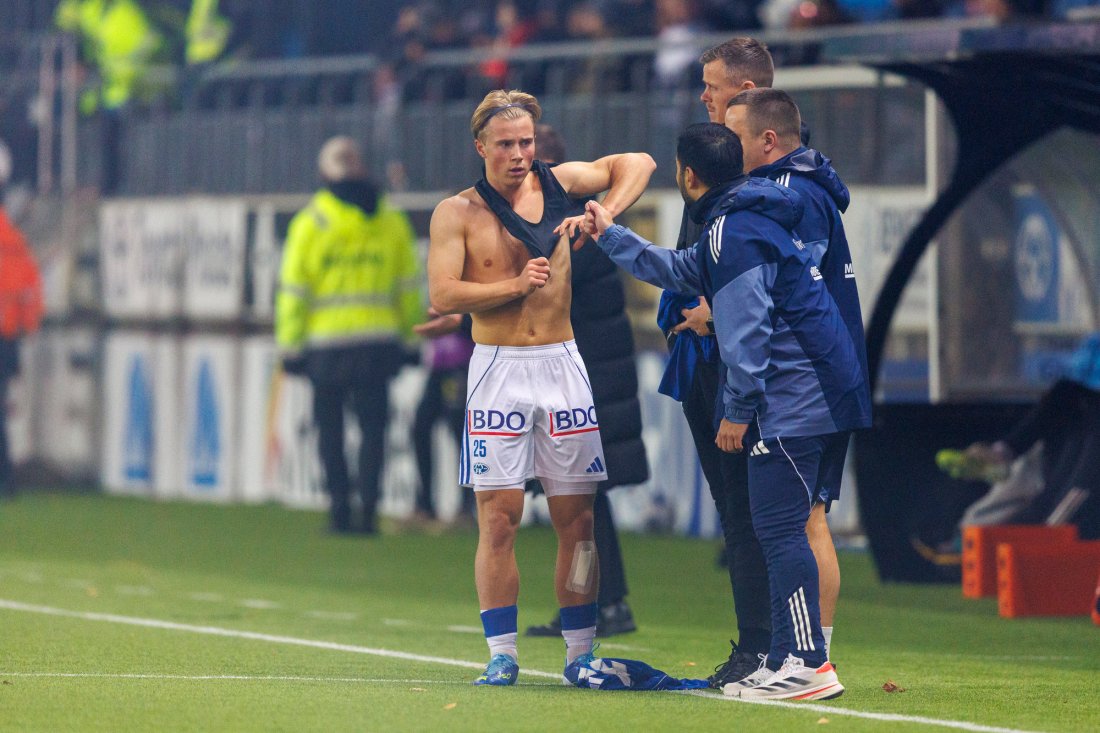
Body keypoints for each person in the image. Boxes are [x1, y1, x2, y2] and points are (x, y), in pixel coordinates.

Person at [580, 122, 870, 700]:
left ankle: (808, 664)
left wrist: (735, 411)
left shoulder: (733, 230)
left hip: (794, 395)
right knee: (778, 528)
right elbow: (681, 271)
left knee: (781, 531)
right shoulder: (738, 220)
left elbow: (747, 336)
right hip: (809, 388)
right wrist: (611, 235)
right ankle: (785, 658)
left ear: (687, 175)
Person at [427, 89, 655, 686]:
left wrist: (606, 212)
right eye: (506, 144)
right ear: (481, 147)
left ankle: (580, 650)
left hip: (561, 363)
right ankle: (501, 652)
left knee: (578, 521)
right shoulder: (458, 212)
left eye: (526, 141)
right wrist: (511, 286)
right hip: (497, 368)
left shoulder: (562, 184)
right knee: (499, 518)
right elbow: (444, 294)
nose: (520, 154)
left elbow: (639, 162)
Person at [725, 87, 870, 663]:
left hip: (810, 380)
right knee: (806, 518)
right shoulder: (803, 189)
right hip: (824, 376)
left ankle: (812, 658)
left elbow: (788, 284)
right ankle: (810, 654)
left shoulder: (791, 195)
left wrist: (719, 307)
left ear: (767, 140)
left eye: (734, 136)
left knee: (803, 521)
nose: (725, 147)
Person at [660, 36, 776, 689]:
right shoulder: (711, 162)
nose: (703, 95)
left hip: (742, 361)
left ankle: (776, 648)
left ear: (747, 91)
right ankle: (769, 646)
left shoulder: (768, 168)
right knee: (736, 509)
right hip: (704, 357)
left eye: (713, 85)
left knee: (760, 511)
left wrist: (716, 310)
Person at [523, 123, 648, 639]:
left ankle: (600, 604)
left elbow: (538, 302)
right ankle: (598, 603)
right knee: (582, 502)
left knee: (580, 504)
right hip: (593, 381)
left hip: (582, 385)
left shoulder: (571, 230)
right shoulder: (577, 225)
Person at [276, 136, 422, 535]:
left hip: (326, 346)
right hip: (378, 341)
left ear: (324, 172)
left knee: (331, 430)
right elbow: (409, 286)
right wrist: (411, 340)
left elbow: (293, 291)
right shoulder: (390, 218)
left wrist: (290, 346)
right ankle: (370, 511)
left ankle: (339, 510)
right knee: (374, 427)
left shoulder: (312, 222)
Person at [937, 333, 1100, 538]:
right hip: (1042, 470)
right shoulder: (1071, 393)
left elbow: (1070, 500)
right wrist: (1005, 449)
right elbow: (1061, 398)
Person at [0, 142, 43, 497]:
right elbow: (32, 290)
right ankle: (7, 478)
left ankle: (5, 479)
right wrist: (26, 325)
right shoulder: (16, 240)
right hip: (9, 336)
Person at [409, 308, 477, 528]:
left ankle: (466, 509)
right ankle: (425, 506)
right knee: (420, 429)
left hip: (463, 362)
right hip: (439, 365)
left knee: (461, 435)